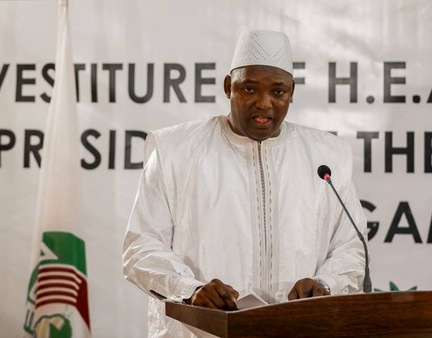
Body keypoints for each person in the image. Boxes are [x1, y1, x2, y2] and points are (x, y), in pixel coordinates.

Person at [122, 30, 367, 337]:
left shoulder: (327, 156)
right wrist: (191, 290)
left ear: (292, 91)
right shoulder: (176, 151)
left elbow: (351, 247)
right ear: (229, 87)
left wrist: (326, 284)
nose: (264, 104)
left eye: (278, 93)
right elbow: (141, 247)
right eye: (249, 89)